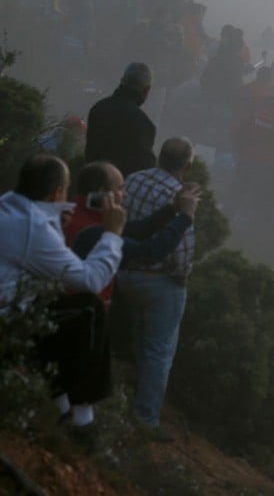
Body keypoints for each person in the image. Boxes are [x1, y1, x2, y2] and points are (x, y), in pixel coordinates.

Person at [0, 155, 125, 440]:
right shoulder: (34, 227)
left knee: (60, 308)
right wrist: (114, 234)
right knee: (88, 310)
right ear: (57, 192)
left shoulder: (10, 204)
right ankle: (82, 421)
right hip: (9, 319)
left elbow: (38, 263)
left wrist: (54, 222)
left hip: (15, 305)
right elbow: (90, 280)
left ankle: (63, 406)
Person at [117, 138, 196, 437]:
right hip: (156, 280)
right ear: (187, 166)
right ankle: (146, 417)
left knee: (137, 338)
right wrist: (181, 277)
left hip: (120, 270)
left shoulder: (134, 178)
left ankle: (122, 393)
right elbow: (182, 254)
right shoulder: (181, 197)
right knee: (159, 350)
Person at [64, 162, 196, 308]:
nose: (125, 195)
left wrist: (172, 209)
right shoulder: (92, 230)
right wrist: (185, 217)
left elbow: (134, 230)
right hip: (82, 312)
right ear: (103, 192)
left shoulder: (76, 215)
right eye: (120, 189)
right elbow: (148, 252)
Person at [85, 62, 156, 177]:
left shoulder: (98, 108)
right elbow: (144, 169)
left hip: (92, 180)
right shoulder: (144, 123)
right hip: (120, 190)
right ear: (147, 90)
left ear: (122, 80)